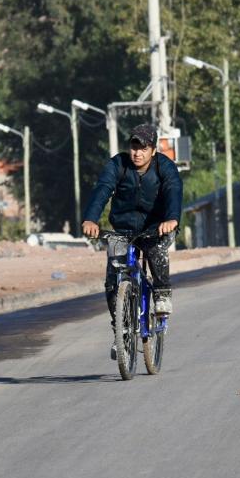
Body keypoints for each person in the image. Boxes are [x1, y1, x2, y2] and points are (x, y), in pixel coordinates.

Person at [81, 124, 183, 355]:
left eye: (143, 148)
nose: (137, 153)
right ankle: (121, 329)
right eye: (134, 147)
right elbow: (102, 190)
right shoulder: (117, 165)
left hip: (156, 227)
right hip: (123, 229)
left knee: (156, 252)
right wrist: (90, 219)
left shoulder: (165, 167)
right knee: (112, 280)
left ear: (153, 150)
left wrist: (172, 219)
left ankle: (162, 293)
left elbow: (173, 191)